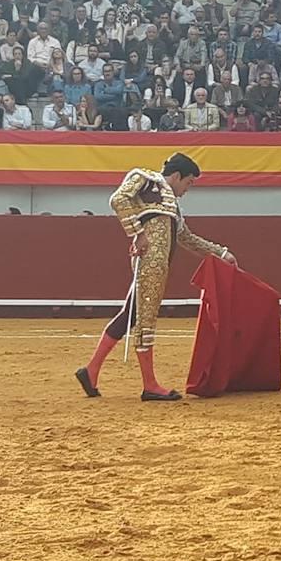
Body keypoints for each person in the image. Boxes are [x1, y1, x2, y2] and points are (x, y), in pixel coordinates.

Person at [75, 153, 237, 401]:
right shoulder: (144, 176)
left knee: (130, 314)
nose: (187, 189)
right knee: (145, 318)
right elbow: (118, 199)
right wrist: (138, 233)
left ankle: (91, 370)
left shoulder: (173, 206)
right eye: (189, 183)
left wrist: (221, 253)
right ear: (176, 176)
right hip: (151, 260)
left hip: (157, 263)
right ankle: (150, 385)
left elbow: (187, 239)